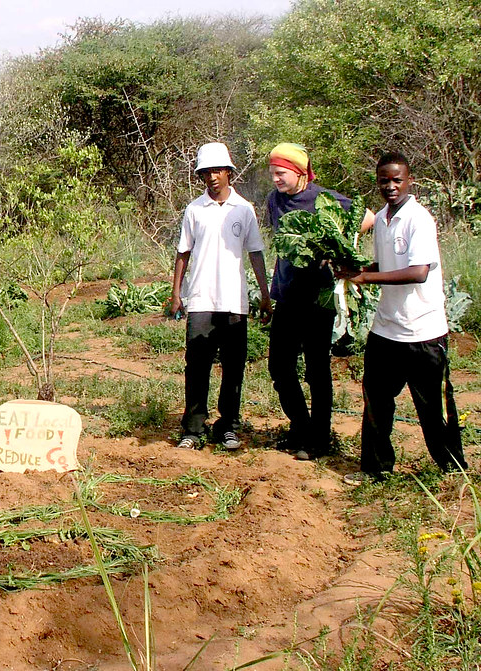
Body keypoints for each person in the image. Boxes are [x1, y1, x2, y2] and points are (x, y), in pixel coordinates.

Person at [339, 152, 468, 484]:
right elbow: (387, 266)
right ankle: (375, 468)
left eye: (397, 180)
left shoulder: (418, 219)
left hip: (423, 331)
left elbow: (418, 272)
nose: (391, 186)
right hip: (387, 329)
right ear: (377, 181)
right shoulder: (382, 218)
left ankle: (453, 470)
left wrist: (366, 279)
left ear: (409, 181)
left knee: (434, 408)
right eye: (384, 180)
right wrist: (356, 270)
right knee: (376, 403)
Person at [266, 143, 374, 461]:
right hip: (286, 294)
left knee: (316, 369)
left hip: (318, 297)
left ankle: (320, 439)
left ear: (299, 172)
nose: (275, 179)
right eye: (272, 173)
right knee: (280, 368)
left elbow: (366, 217)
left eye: (281, 173)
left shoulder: (324, 199)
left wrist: (337, 245)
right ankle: (301, 427)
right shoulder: (274, 200)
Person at [170, 142, 272, 451]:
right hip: (201, 298)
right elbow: (183, 252)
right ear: (201, 176)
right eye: (206, 172)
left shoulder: (244, 209)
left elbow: (255, 253)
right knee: (197, 366)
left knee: (233, 366)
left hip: (233, 301)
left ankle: (228, 425)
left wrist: (264, 294)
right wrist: (176, 294)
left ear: (228, 172)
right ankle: (193, 427)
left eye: (217, 170)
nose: (212, 177)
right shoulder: (194, 210)